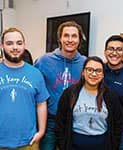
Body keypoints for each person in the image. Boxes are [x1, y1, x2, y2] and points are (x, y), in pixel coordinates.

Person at [0, 27, 49, 150]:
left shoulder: (35, 73)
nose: (15, 47)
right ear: (2, 46)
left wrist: (42, 131)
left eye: (19, 43)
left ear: (24, 45)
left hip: (28, 142)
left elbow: (41, 104)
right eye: (9, 43)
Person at [34, 21, 86, 150]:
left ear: (79, 39)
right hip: (50, 121)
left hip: (75, 120)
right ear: (60, 39)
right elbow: (31, 85)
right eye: (66, 35)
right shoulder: (44, 61)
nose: (70, 40)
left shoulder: (85, 63)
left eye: (74, 36)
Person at [54, 56, 122, 150]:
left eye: (98, 71)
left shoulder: (110, 96)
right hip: (73, 145)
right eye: (89, 70)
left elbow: (117, 125)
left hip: (102, 146)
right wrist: (62, 145)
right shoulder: (70, 94)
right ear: (83, 72)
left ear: (103, 75)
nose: (94, 74)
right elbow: (60, 122)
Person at [103, 35, 123, 150]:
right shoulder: (97, 71)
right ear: (105, 51)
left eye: (119, 49)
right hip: (96, 129)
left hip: (120, 132)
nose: (114, 53)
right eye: (111, 49)